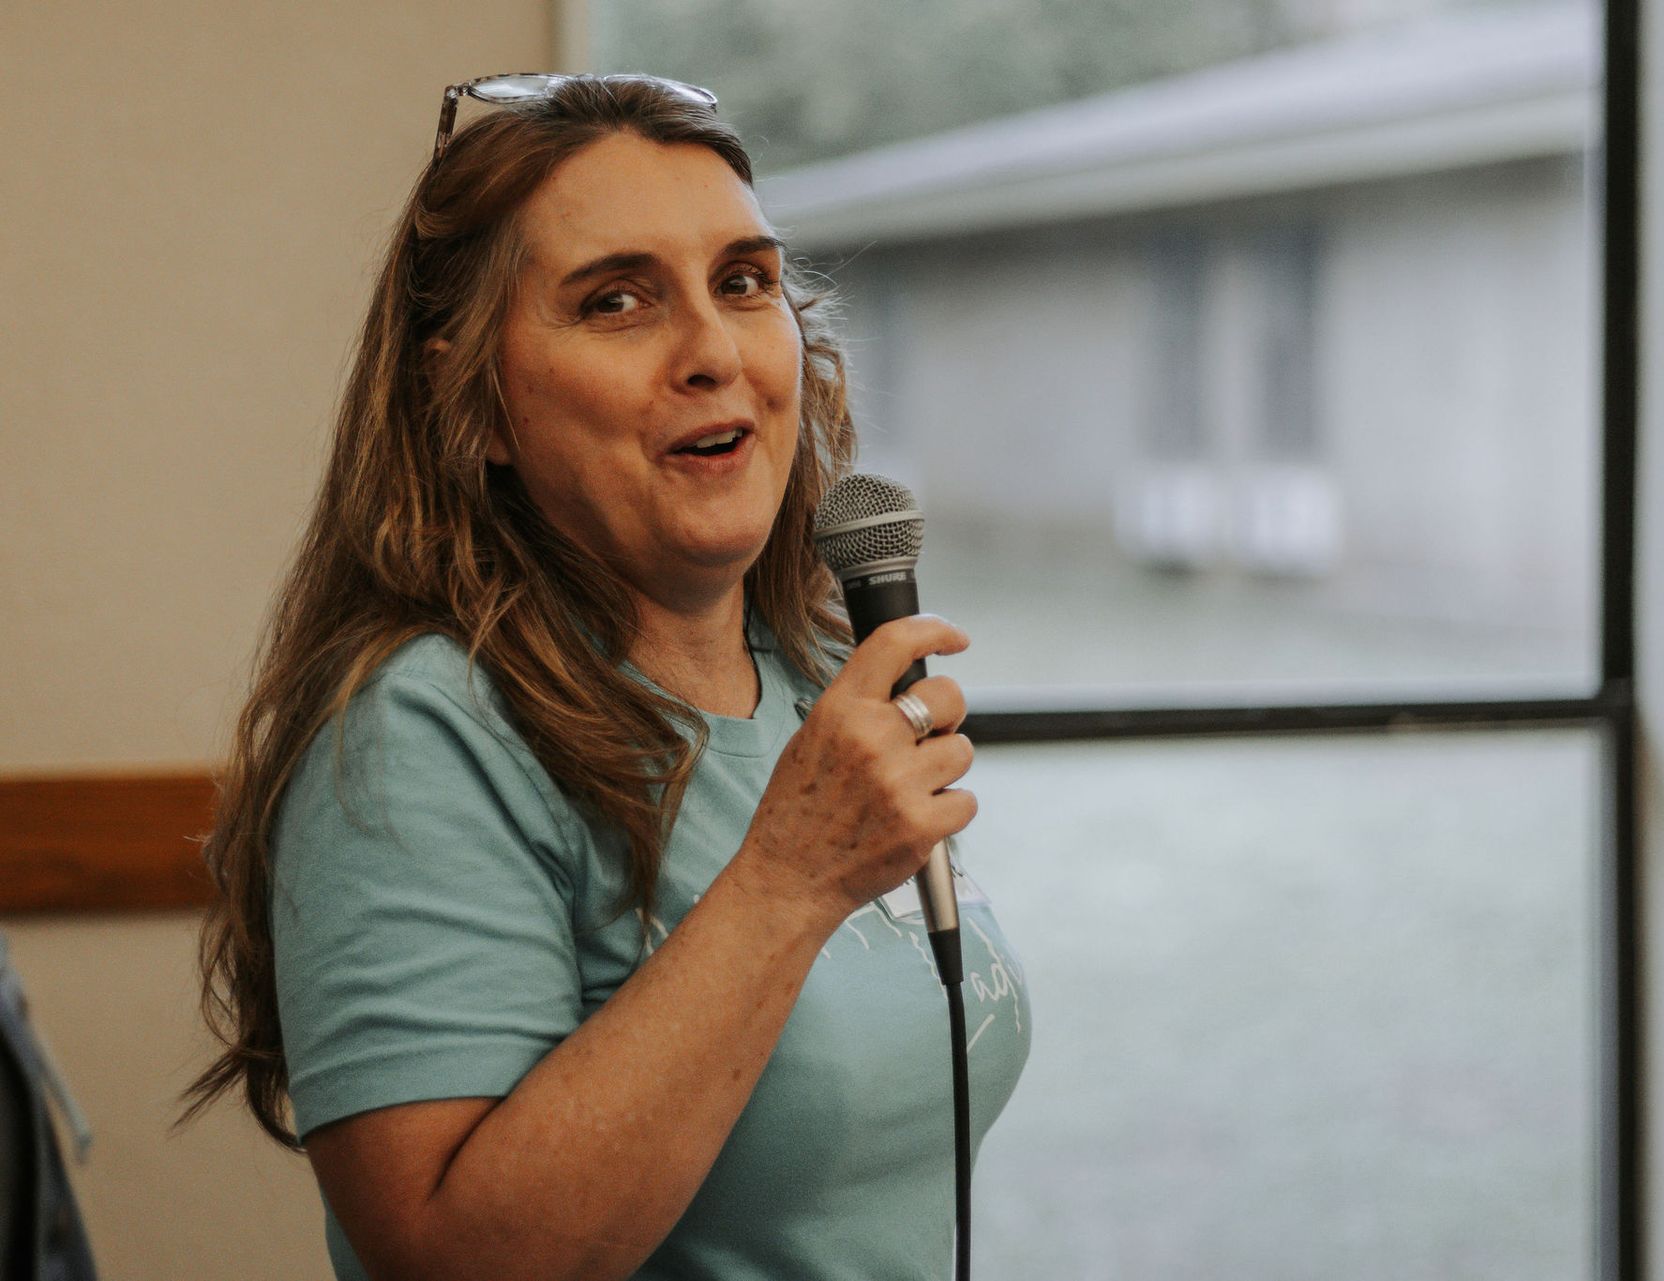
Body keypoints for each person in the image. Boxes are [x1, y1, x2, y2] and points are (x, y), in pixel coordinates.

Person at [177, 74, 1030, 1281]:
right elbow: (451, 1261)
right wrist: (788, 879)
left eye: (744, 282)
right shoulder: (419, 735)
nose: (712, 351)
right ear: (471, 403)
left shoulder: (818, 679)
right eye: (617, 301)